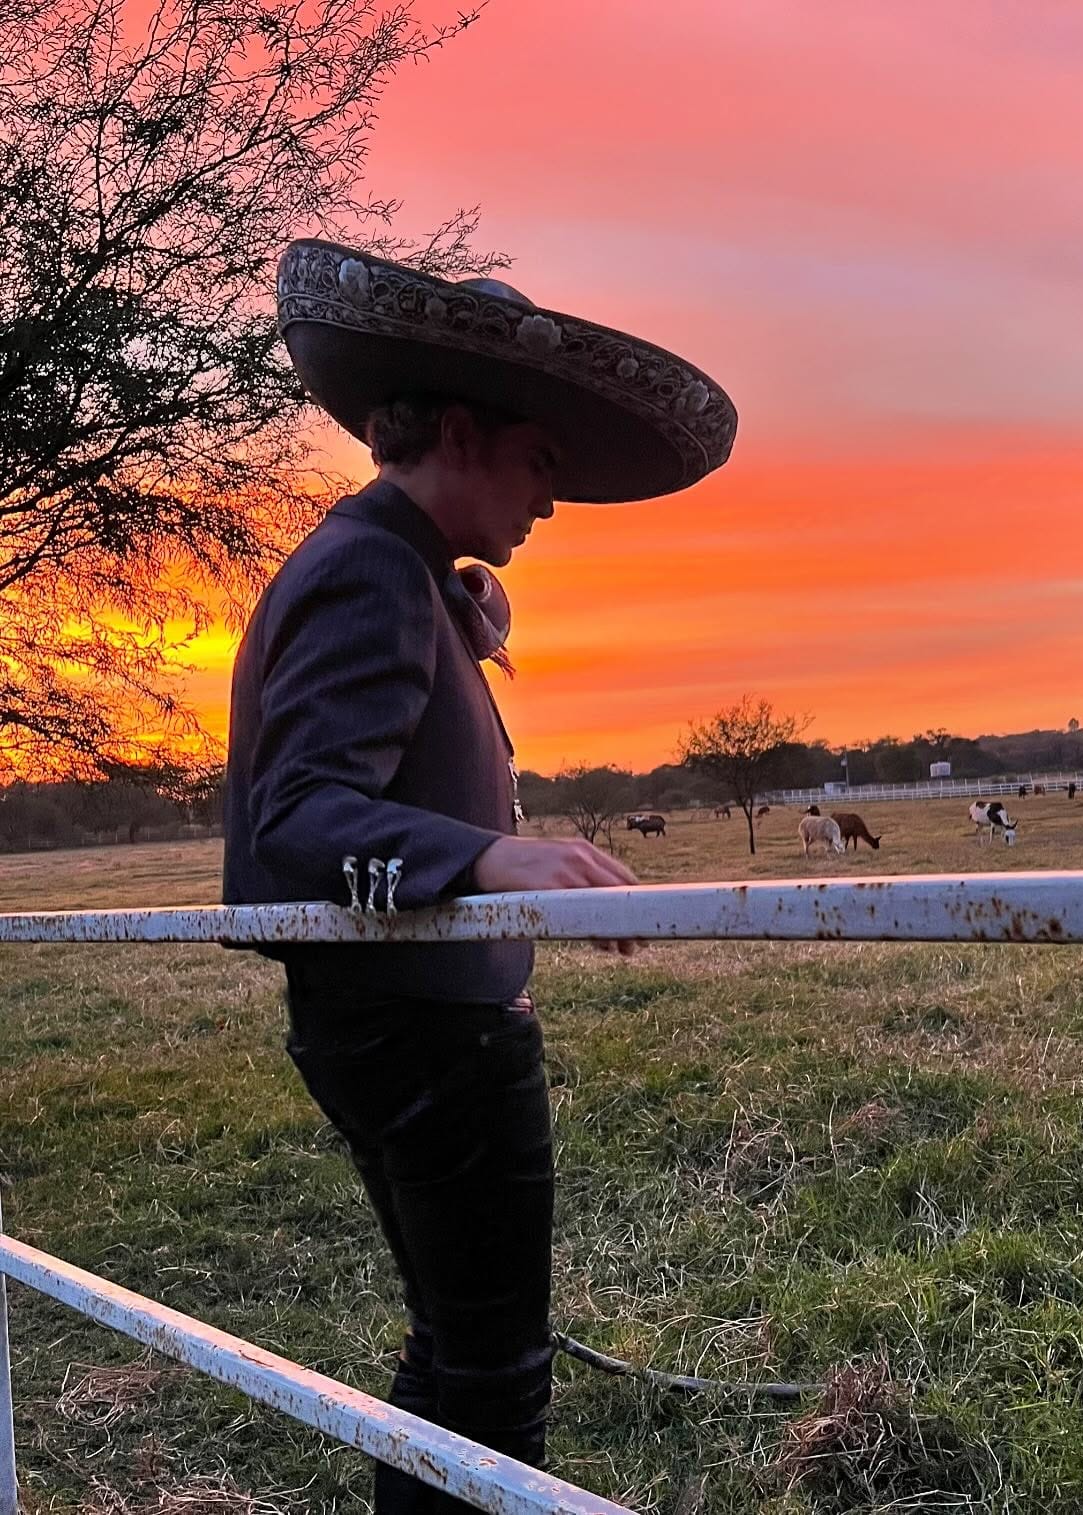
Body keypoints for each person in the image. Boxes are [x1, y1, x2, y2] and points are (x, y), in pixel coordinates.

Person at [222, 239, 736, 1511]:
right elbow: (292, 820)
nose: (550, 500)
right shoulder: (367, 570)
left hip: (397, 1024)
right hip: (426, 1036)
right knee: (498, 1375)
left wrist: (458, 617)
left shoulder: (397, 570)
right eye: (539, 460)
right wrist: (490, 855)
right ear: (460, 428)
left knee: (451, 1353)